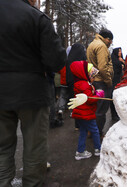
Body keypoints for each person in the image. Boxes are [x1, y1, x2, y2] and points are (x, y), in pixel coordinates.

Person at [0, 0, 66, 186]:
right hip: (32, 92)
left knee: (2, 148)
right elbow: (56, 60)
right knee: (34, 147)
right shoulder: (37, 17)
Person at [70, 61, 104, 160]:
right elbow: (89, 99)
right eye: (92, 76)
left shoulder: (81, 83)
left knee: (83, 131)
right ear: (84, 74)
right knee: (95, 130)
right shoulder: (84, 84)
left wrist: (95, 92)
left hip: (81, 113)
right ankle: (98, 149)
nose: (94, 79)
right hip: (86, 113)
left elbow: (87, 95)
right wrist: (97, 96)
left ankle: (80, 151)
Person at [86, 29, 114, 137]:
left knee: (94, 108)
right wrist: (108, 81)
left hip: (94, 81)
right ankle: (97, 133)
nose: (110, 43)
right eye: (110, 40)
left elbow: (91, 66)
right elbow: (102, 67)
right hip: (101, 82)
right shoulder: (101, 46)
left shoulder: (92, 44)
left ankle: (91, 130)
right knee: (101, 110)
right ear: (105, 38)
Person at [57, 43, 87, 129]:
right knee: (82, 105)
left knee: (74, 104)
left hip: (70, 85)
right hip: (81, 86)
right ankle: (83, 125)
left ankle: (77, 125)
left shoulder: (68, 60)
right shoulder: (82, 61)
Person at [110, 47, 125, 121]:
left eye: (121, 51)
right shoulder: (113, 59)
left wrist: (122, 61)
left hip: (121, 80)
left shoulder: (121, 59)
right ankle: (114, 114)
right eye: (119, 51)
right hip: (114, 79)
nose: (120, 52)